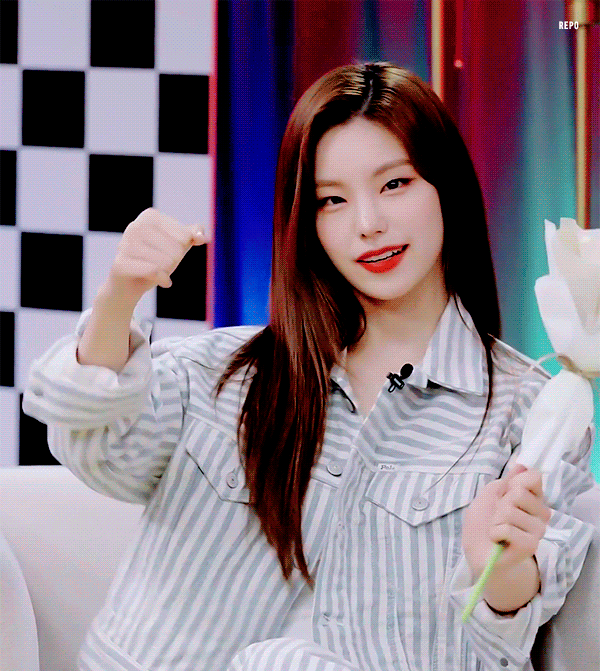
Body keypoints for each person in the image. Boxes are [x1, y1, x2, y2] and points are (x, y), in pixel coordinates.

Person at [22, 61, 596, 671]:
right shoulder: (225, 374)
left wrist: (499, 568)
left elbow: (509, 633)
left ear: (445, 187)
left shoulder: (528, 411)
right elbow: (98, 447)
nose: (368, 224)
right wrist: (120, 294)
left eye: (394, 184)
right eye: (333, 200)